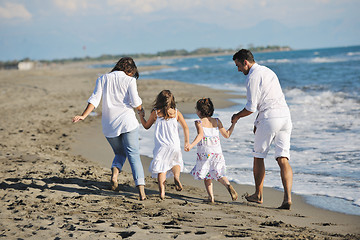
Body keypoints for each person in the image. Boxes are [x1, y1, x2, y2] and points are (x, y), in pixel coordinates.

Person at [72, 57, 146, 200]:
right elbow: (136, 102)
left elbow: (94, 99)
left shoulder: (102, 79)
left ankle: (115, 175)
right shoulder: (130, 80)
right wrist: (141, 110)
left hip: (109, 125)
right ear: (129, 71)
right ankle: (142, 192)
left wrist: (83, 116)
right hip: (127, 122)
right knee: (134, 155)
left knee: (120, 152)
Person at [231, 49, 293, 209]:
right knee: (283, 158)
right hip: (285, 117)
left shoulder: (252, 77)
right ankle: (287, 198)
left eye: (238, 65)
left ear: (245, 62)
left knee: (258, 156)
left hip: (269, 117)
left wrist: (237, 116)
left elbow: (251, 107)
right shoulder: (268, 71)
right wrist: (258, 121)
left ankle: (258, 195)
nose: (238, 69)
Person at [138, 90, 189, 200]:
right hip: (174, 145)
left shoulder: (156, 113)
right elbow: (185, 127)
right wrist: (186, 142)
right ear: (172, 101)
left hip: (161, 147)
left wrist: (141, 116)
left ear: (159, 100)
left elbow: (146, 126)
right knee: (176, 163)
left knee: (162, 168)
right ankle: (176, 177)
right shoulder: (176, 113)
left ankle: (162, 193)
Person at [185, 98, 238, 203]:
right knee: (219, 174)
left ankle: (211, 197)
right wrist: (233, 124)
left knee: (207, 175)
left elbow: (200, 135)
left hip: (205, 152)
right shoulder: (217, 121)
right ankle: (228, 185)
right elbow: (227, 135)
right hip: (217, 152)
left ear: (200, 111)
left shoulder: (199, 122)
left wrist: (191, 145)